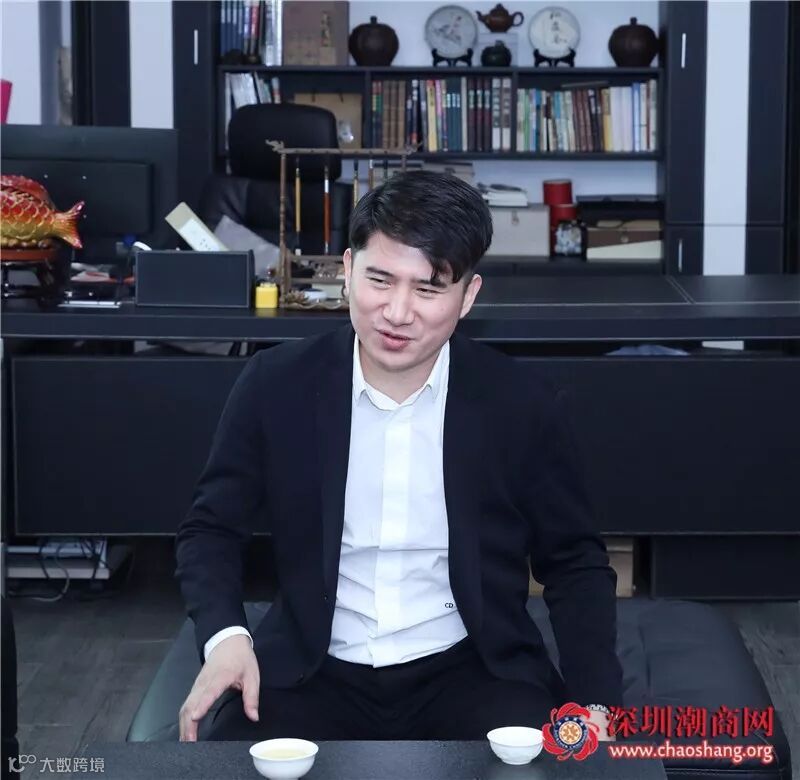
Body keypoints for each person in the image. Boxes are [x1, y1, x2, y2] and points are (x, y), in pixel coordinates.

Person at [175, 170, 622, 743]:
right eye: (380, 280)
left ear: (468, 297)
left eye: (428, 290)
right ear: (347, 270)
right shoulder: (275, 384)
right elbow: (211, 529)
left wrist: (597, 702)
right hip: (312, 668)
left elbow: (574, 561)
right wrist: (226, 639)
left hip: (473, 669)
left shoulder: (521, 403)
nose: (397, 311)